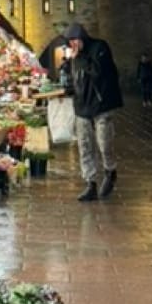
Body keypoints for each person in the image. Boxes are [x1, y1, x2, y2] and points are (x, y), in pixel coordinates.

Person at [63, 23, 123, 202]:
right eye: (70, 42)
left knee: (104, 143)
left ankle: (110, 170)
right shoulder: (75, 56)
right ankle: (90, 183)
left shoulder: (100, 47)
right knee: (85, 145)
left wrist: (79, 58)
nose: (72, 45)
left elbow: (98, 72)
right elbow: (75, 77)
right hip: (82, 106)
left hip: (101, 104)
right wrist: (68, 88)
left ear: (81, 37)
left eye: (74, 40)